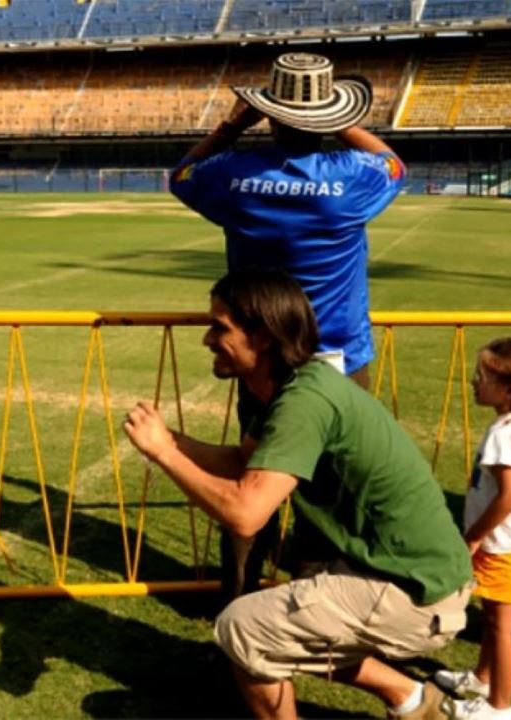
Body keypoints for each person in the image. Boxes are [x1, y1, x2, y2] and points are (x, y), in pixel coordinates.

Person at [122, 268, 473, 720]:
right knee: (287, 621)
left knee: (244, 627)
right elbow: (243, 462)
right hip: (412, 578)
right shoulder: (294, 386)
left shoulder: (304, 402)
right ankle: (412, 700)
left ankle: (412, 698)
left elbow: (246, 514)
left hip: (416, 592)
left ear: (263, 335)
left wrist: (164, 456)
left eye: (220, 327)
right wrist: (168, 441)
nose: (208, 339)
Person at [169, 51, 407, 599]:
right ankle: (318, 596)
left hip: (262, 355)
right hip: (341, 357)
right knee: (334, 482)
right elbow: (394, 164)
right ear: (324, 117)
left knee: (253, 474)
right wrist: (339, 121)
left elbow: (181, 176)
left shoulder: (234, 175)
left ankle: (239, 595)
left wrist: (232, 126)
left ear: (270, 116)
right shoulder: (353, 178)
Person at [435, 339, 511, 720]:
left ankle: (499, 707)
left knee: (501, 625)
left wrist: (473, 537)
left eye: (483, 376)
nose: (474, 381)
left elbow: (508, 496)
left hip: (501, 547)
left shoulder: (504, 434)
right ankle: (482, 679)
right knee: (491, 618)